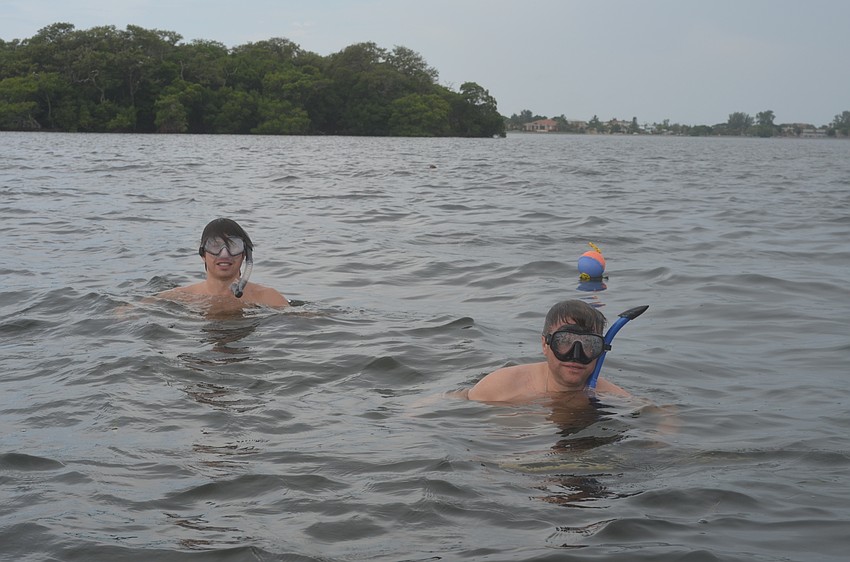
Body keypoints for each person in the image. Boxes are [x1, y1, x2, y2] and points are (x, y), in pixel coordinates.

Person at [465, 299, 628, 402]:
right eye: (564, 341)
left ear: (601, 350)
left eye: (589, 344)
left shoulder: (613, 397)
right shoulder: (499, 386)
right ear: (545, 344)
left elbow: (648, 414)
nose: (576, 355)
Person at [157, 218, 289, 309]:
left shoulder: (267, 297)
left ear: (244, 254)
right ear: (203, 254)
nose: (224, 254)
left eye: (233, 246)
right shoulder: (180, 297)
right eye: (215, 246)